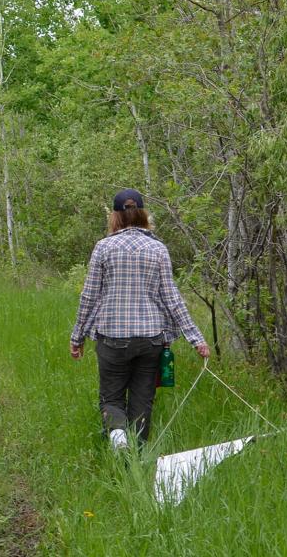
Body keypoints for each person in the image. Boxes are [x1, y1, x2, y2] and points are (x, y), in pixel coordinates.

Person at [70, 189, 210, 450]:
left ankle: (118, 436)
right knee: (142, 401)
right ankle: (137, 456)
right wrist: (196, 339)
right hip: (150, 339)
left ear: (115, 217)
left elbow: (89, 296)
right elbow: (172, 298)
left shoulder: (103, 248)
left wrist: (77, 337)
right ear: (144, 214)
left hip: (112, 338)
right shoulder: (158, 249)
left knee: (111, 399)